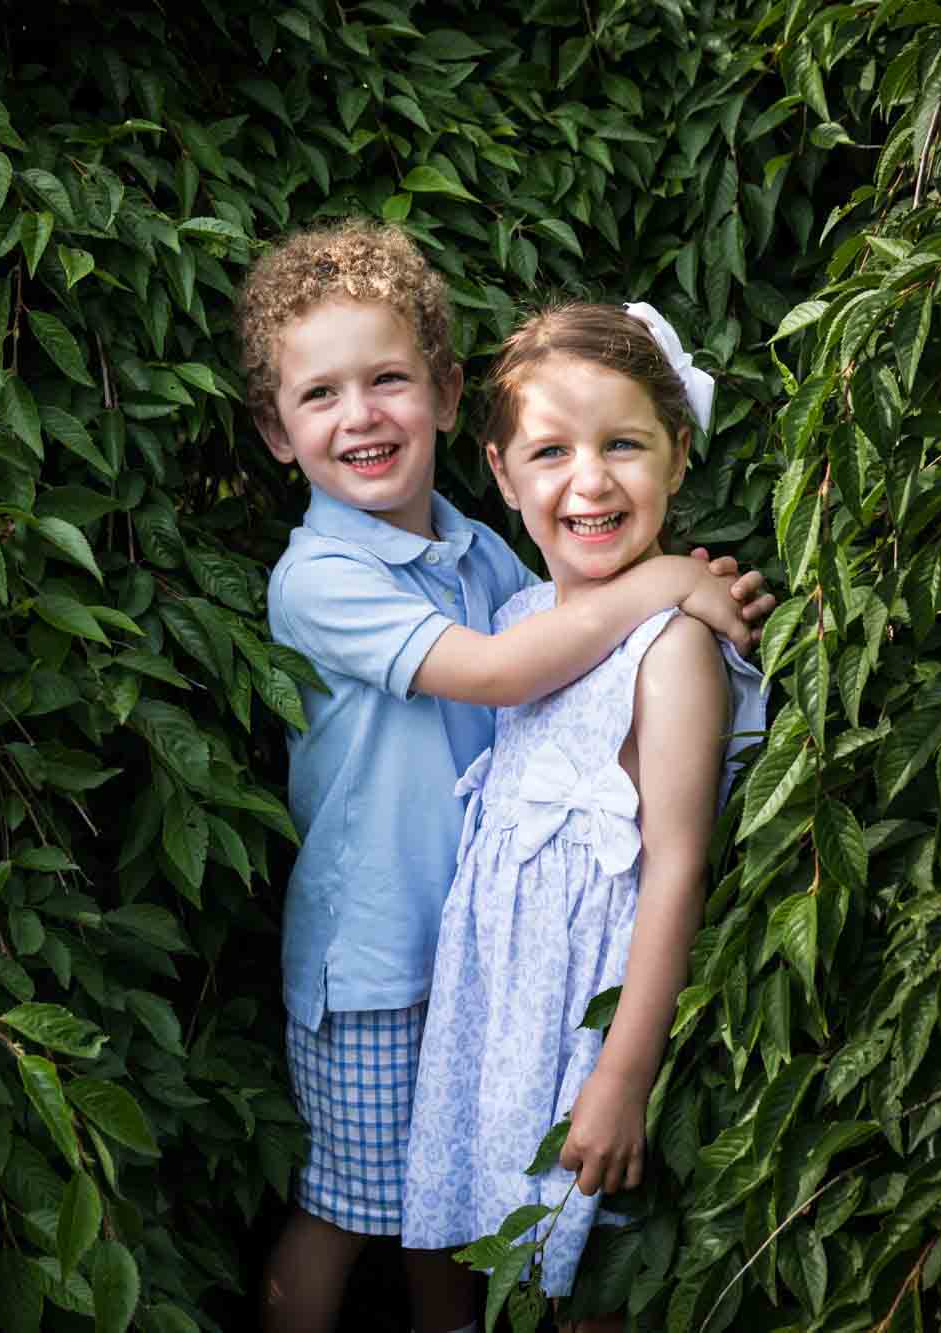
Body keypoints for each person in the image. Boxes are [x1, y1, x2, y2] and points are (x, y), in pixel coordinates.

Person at [237, 222, 773, 1333]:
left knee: (458, 1209)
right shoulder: (318, 580)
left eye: (387, 379)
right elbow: (494, 674)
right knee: (352, 1210)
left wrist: (674, 593)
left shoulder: (483, 554)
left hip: (497, 955)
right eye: (320, 394)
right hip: (381, 955)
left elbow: (574, 657)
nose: (360, 414)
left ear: (442, 394)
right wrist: (666, 577)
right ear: (276, 433)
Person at [401, 301, 766, 1331]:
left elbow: (674, 868)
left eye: (623, 445)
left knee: (578, 1282)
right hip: (492, 1013)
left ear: (677, 455)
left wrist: (619, 1075)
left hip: (585, 1026)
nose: (590, 480)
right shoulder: (521, 618)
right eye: (550, 451)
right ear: (503, 476)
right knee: (460, 1251)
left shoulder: (674, 653)